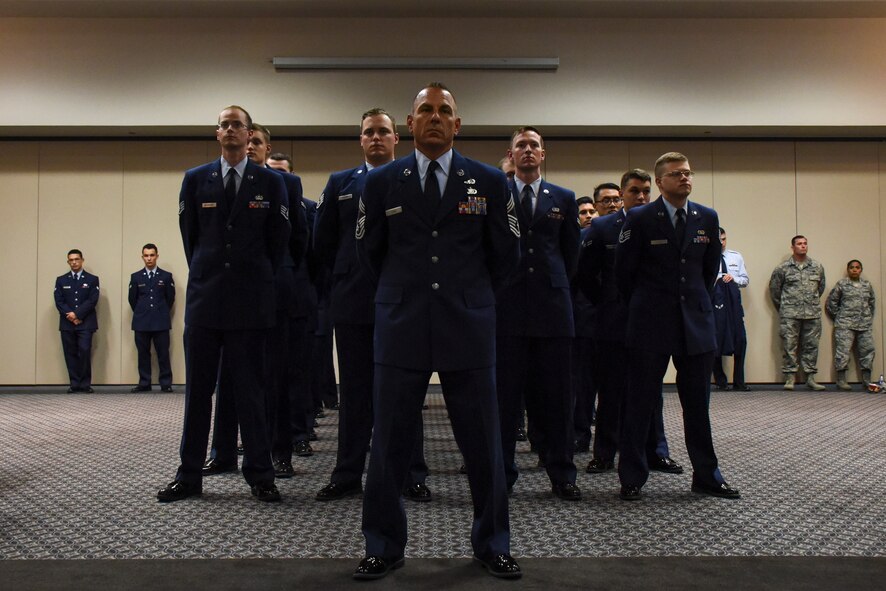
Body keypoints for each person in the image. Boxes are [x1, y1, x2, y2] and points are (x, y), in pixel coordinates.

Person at [353, 83, 521, 580]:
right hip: (401, 323)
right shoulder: (382, 183)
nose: (433, 117)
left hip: (467, 325)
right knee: (388, 444)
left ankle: (492, 542)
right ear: (410, 123)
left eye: (443, 111)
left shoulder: (490, 182)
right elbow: (370, 255)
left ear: (457, 124)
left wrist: (469, 295)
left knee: (483, 444)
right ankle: (383, 544)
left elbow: (505, 257)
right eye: (425, 110)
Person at [157, 105, 290, 504]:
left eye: (238, 125)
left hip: (250, 303)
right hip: (206, 300)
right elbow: (190, 238)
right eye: (225, 124)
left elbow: (278, 241)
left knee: (251, 392)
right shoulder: (196, 180)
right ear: (217, 134)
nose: (231, 130)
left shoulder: (270, 181)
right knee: (198, 391)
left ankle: (261, 475)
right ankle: (189, 475)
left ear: (250, 136)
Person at [314, 108, 430, 502]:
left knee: (406, 392)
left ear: (398, 138)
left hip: (403, 301)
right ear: (360, 140)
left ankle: (412, 473)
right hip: (353, 302)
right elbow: (323, 242)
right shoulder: (340, 182)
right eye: (369, 133)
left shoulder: (414, 179)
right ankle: (347, 473)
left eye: (384, 132)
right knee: (356, 393)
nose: (377, 138)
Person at [615, 152, 739, 501]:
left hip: (695, 325)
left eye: (687, 173)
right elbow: (623, 274)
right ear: (659, 182)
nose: (685, 178)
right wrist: (644, 305)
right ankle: (633, 476)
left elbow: (708, 270)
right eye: (676, 174)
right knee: (640, 403)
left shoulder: (707, 217)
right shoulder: (640, 218)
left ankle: (706, 476)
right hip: (649, 323)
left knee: (698, 405)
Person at [579, 169, 683, 477]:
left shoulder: (661, 221)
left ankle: (656, 452)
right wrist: (605, 303)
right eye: (635, 191)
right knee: (611, 391)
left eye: (645, 191)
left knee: (651, 392)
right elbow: (585, 275)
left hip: (652, 321)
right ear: (622, 195)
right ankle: (605, 453)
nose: (641, 197)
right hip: (613, 321)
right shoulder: (601, 227)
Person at [496, 126, 581, 500]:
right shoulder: (497, 195)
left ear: (543, 154)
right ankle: (501, 474)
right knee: (504, 401)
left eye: (534, 145)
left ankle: (562, 473)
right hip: (507, 311)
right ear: (511, 155)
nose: (527, 150)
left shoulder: (563, 197)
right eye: (521, 146)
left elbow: (571, 255)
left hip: (552, 311)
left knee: (557, 399)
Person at [768, 236, 827, 391]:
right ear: (792, 247)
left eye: (805, 243)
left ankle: (810, 378)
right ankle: (790, 377)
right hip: (790, 314)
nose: (803, 246)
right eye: (799, 244)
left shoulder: (817, 266)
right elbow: (775, 291)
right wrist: (785, 307)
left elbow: (820, 288)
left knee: (812, 346)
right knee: (789, 345)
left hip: (812, 313)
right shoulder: (782, 268)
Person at [128, 243, 175, 393]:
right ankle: (144, 383)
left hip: (160, 321)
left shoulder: (166, 276)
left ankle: (165, 383)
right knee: (143, 354)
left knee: (163, 353)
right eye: (146, 255)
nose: (149, 258)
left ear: (157, 256)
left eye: (152, 255)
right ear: (142, 257)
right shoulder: (135, 277)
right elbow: (132, 300)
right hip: (141, 322)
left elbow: (170, 298)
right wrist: (143, 312)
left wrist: (160, 311)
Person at [54, 249, 99, 393]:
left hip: (86, 322)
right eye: (71, 260)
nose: (74, 262)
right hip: (67, 323)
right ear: (68, 262)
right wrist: (71, 315)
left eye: (76, 259)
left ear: (82, 260)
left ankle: (85, 384)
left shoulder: (92, 279)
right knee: (70, 353)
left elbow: (92, 300)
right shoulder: (61, 280)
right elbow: (59, 300)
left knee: (85, 351)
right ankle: (74, 384)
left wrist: (77, 314)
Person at [827, 259, 876, 390]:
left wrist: (867, 317)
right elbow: (831, 303)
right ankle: (841, 380)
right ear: (848, 270)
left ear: (861, 270)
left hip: (864, 325)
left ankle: (867, 380)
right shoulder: (842, 284)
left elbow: (871, 303)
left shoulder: (867, 285)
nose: (854, 269)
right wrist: (840, 317)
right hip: (845, 325)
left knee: (868, 352)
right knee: (843, 353)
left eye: (857, 267)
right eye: (852, 267)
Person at [712, 227, 750, 391]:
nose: (722, 242)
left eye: (724, 239)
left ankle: (739, 382)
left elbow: (745, 279)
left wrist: (733, 278)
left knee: (740, 340)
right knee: (714, 341)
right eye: (719, 239)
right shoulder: (706, 258)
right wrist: (718, 279)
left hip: (733, 305)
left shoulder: (736, 256)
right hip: (714, 304)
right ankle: (720, 380)